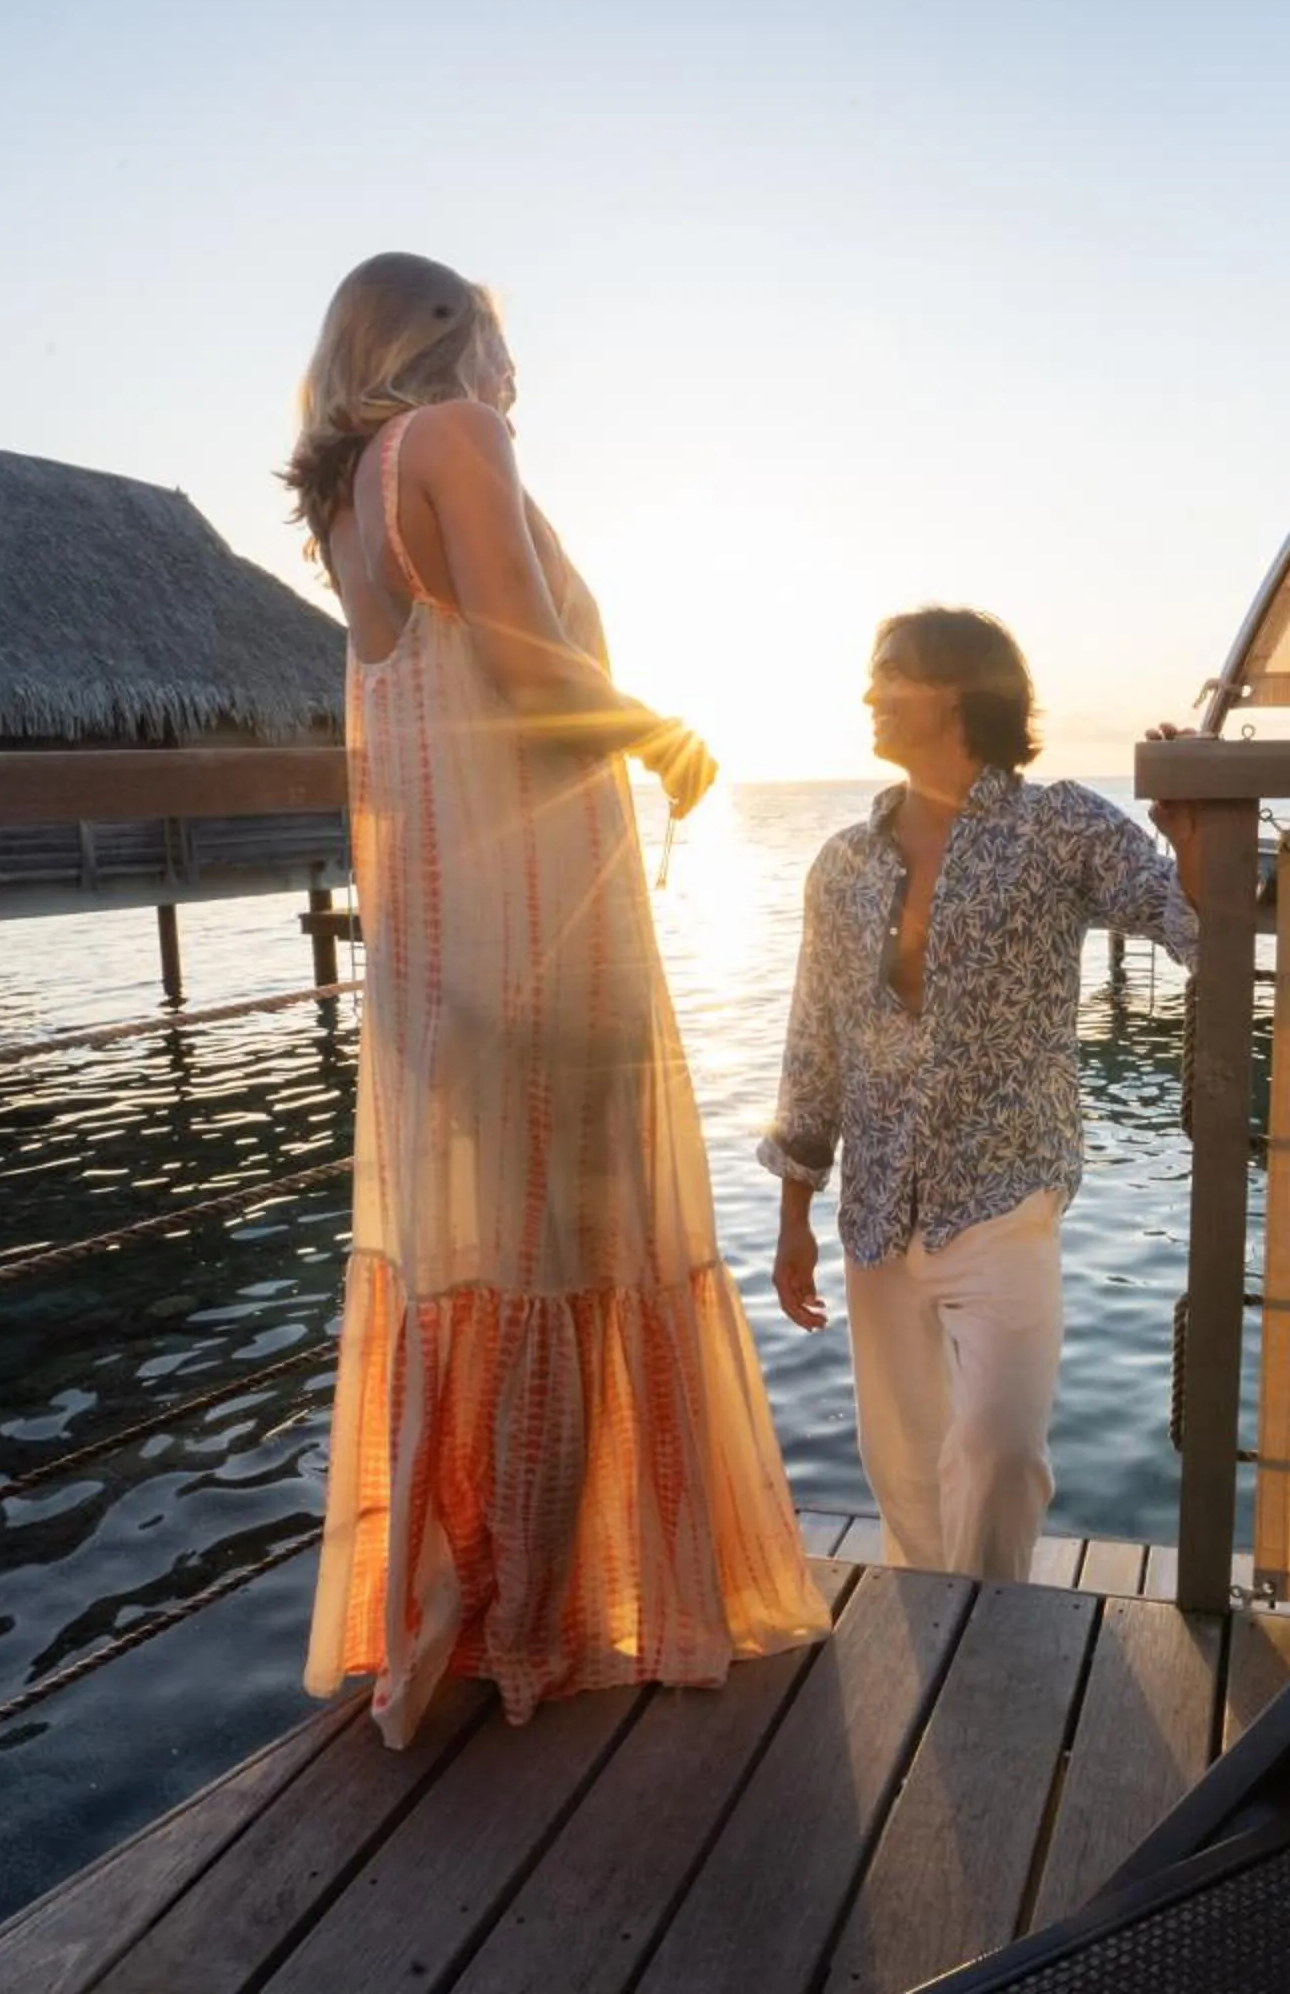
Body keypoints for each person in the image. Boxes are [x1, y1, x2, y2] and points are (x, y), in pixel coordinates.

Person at [281, 253, 827, 1741]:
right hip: (537, 938)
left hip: (440, 949)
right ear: (448, 340)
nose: (520, 380)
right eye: (507, 344)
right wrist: (663, 735)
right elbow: (526, 670)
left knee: (492, 1278)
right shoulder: (457, 439)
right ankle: (545, 1622)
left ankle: (474, 1618)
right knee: (579, 1269)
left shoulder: (352, 501)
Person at [760, 608, 1203, 1583]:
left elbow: (1190, 926)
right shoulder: (844, 860)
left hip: (1008, 1194)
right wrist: (793, 1212)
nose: (869, 692)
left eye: (890, 674)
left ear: (959, 690)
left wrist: (1193, 823)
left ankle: (991, 1624)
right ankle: (937, 1638)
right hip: (876, 1207)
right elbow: (813, 1048)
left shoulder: (1058, 823)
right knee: (905, 1469)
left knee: (1002, 1453)